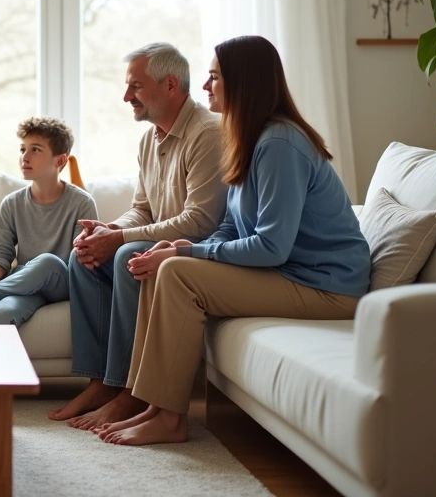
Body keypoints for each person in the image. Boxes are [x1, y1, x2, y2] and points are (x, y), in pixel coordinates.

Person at [99, 35, 371, 446]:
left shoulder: (280, 143)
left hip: (325, 285)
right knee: (162, 264)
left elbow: (271, 246)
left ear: (244, 83)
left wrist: (190, 250)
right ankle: (153, 406)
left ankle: (171, 419)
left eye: (213, 78)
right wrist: (174, 248)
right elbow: (231, 225)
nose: (205, 87)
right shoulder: (249, 138)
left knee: (177, 273)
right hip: (290, 272)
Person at [50, 42, 227, 428]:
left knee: (126, 256)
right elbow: (143, 208)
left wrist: (121, 240)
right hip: (156, 244)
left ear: (170, 85)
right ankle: (101, 383)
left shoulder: (208, 135)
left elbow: (200, 221)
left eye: (136, 86)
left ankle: (131, 393)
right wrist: (112, 228)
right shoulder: (150, 138)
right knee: (82, 258)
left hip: (195, 251)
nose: (126, 96)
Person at [0, 117, 97, 326]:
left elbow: (80, 261)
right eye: (22, 149)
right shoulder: (12, 203)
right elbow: (2, 252)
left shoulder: (82, 203)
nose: (24, 157)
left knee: (48, 262)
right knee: (0, 315)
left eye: (35, 150)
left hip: (63, 283)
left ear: (60, 160)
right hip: (26, 285)